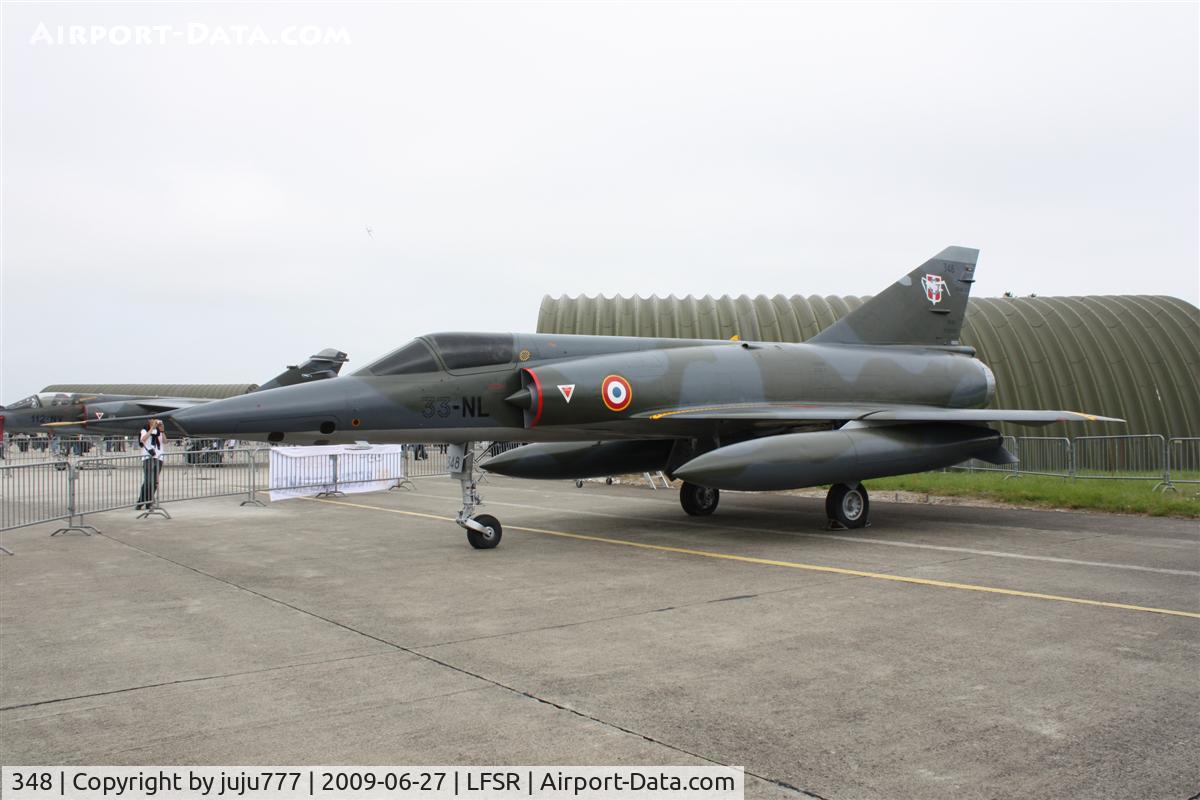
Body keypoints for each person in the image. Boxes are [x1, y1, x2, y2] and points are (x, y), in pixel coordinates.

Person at [135, 419, 167, 510]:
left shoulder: (159, 432)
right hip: (148, 457)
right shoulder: (144, 430)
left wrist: (162, 430)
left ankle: (148, 502)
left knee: (154, 482)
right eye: (153, 421)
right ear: (149, 421)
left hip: (159, 457)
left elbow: (165, 441)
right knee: (148, 481)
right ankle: (141, 501)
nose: (156, 423)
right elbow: (143, 439)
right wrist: (152, 428)